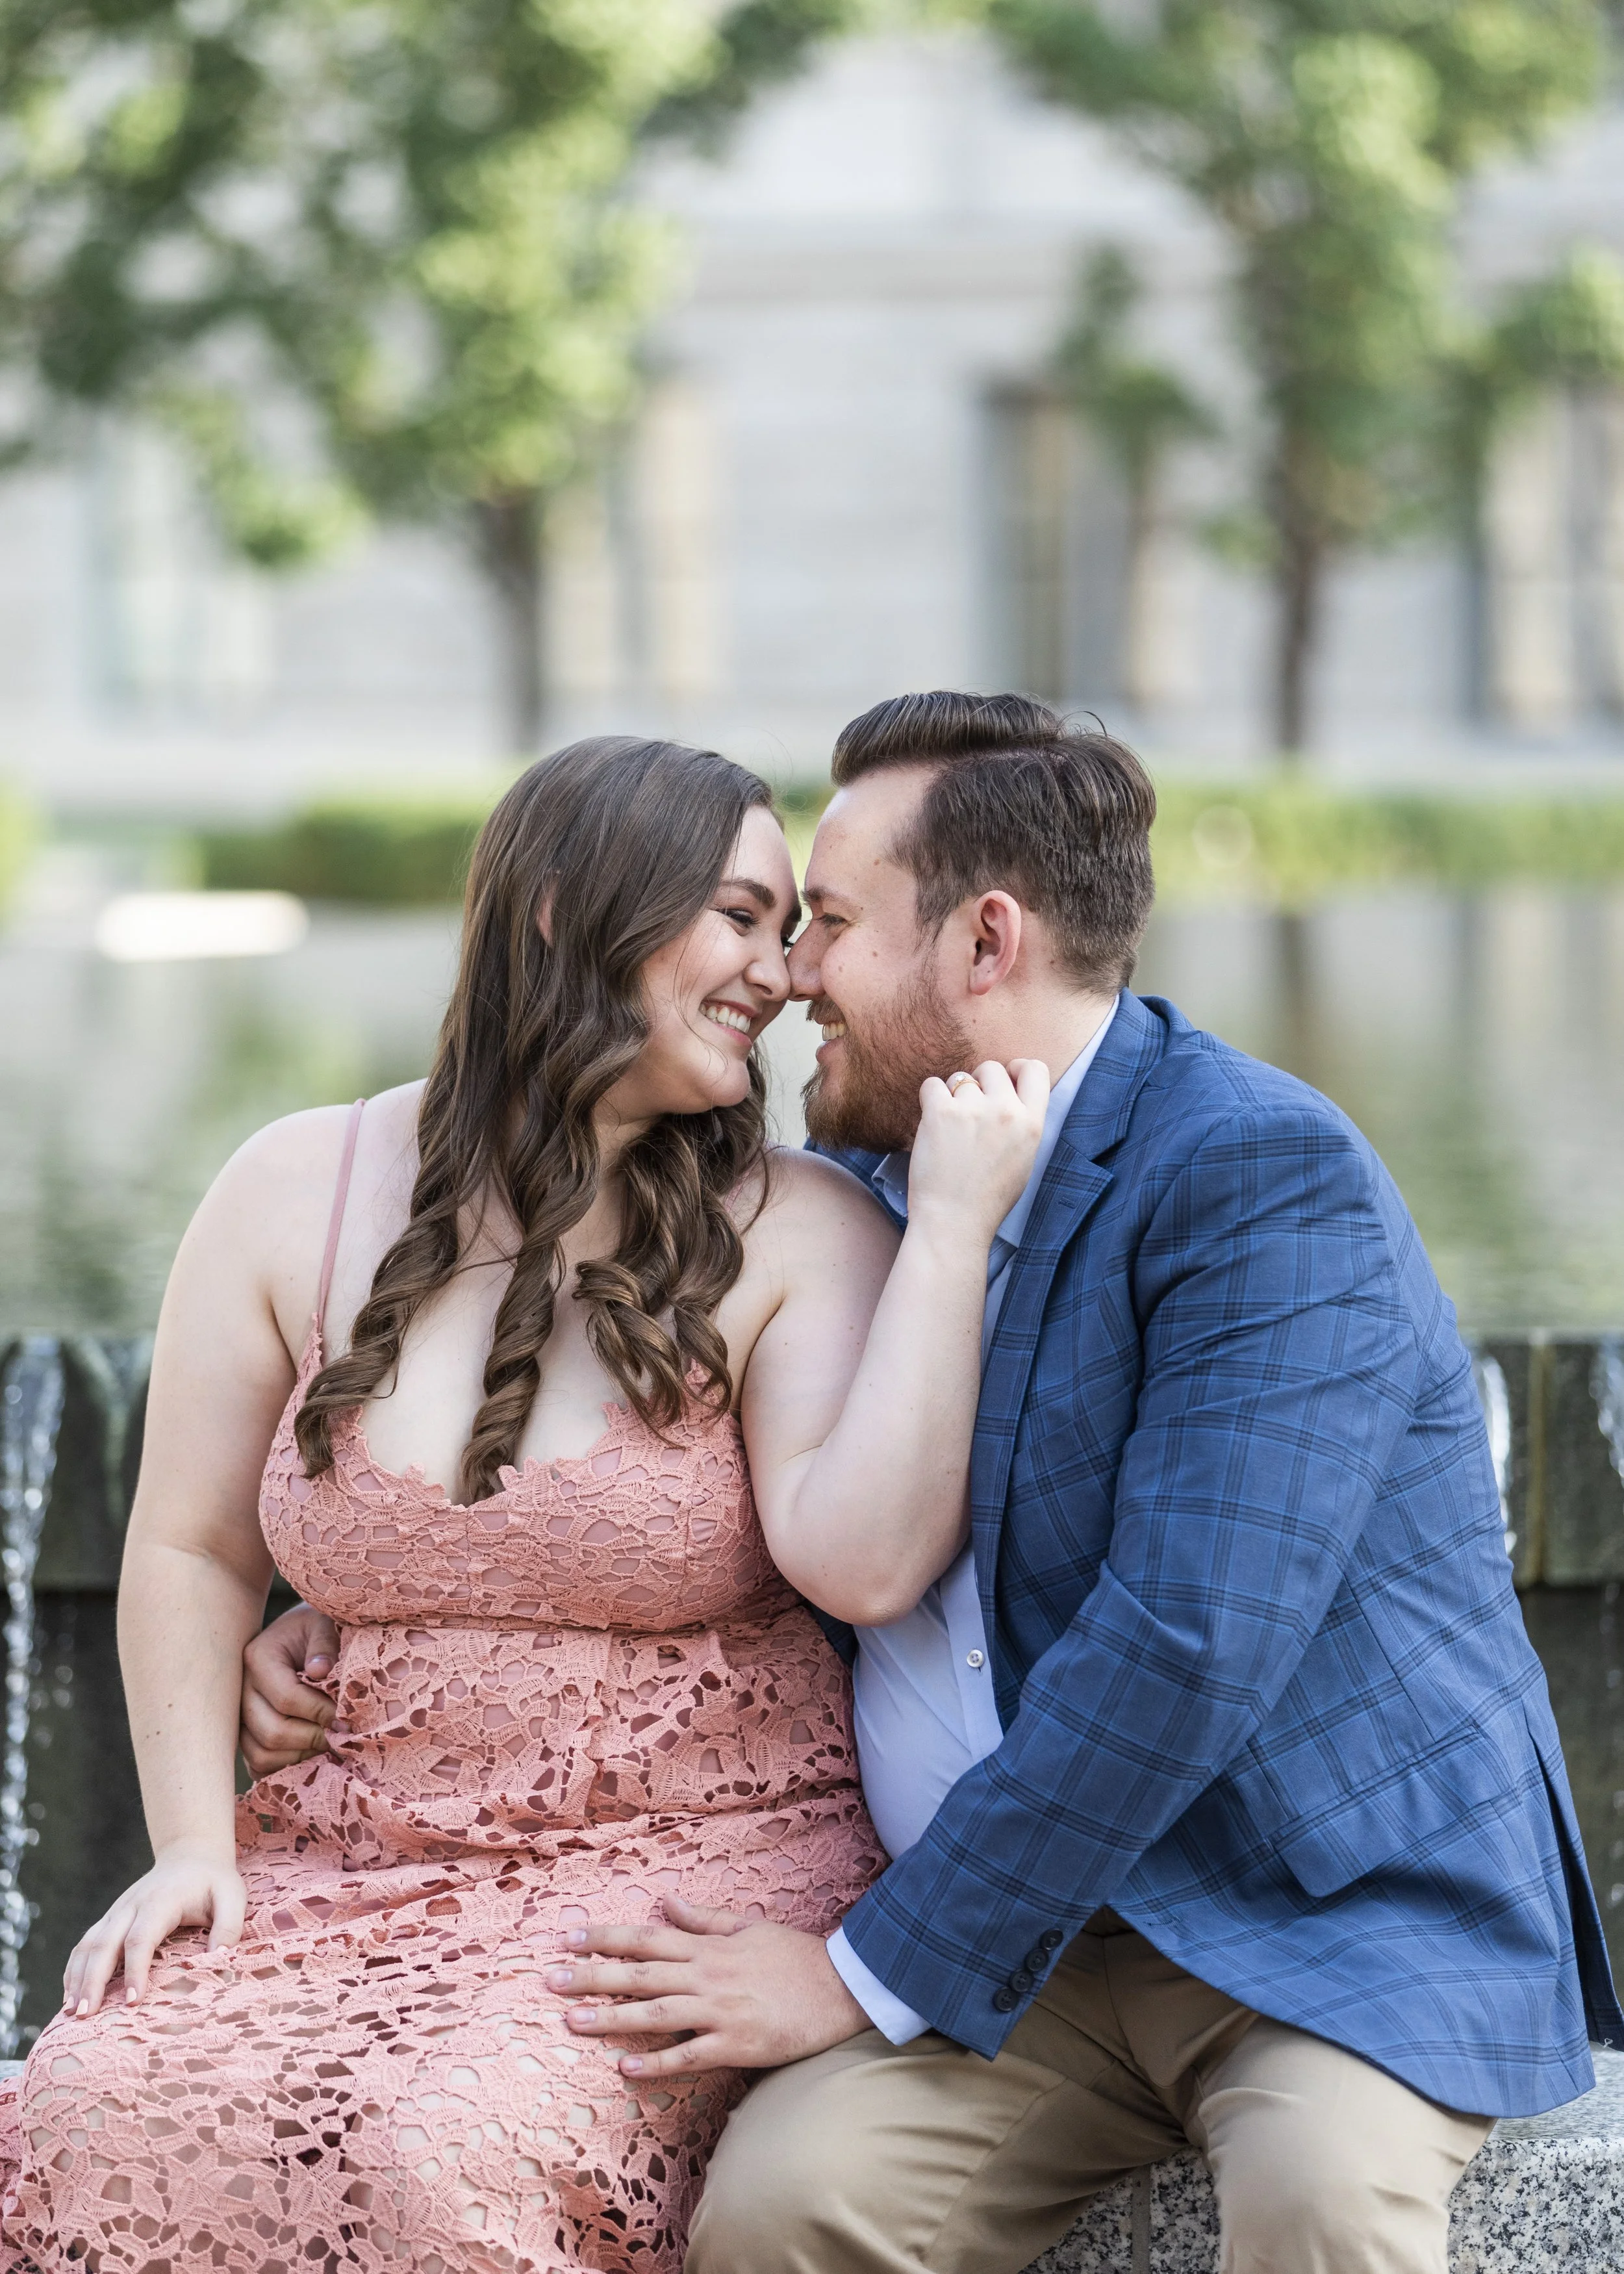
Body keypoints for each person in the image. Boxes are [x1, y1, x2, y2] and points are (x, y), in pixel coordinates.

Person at [251, 693, 1623, 2274]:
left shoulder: (1254, 1176)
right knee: (778, 2206)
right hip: (1033, 1960)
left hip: (1312, 1918)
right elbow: (643, 1497)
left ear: (982, 943)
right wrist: (340, 1617)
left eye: (824, 923)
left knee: (1319, 2202)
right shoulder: (854, 1188)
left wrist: (861, 1972)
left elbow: (1184, 1642)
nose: (786, 978)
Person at [0, 733, 1050, 2274]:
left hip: (683, 1871)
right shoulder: (291, 1188)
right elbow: (188, 1542)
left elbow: (874, 1556)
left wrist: (950, 1232)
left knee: (448, 2153)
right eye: (740, 917)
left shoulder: (798, 1224)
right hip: (347, 1844)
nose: (782, 973)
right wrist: (190, 1846)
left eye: (790, 925)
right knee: (88, 2102)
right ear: (563, 914)